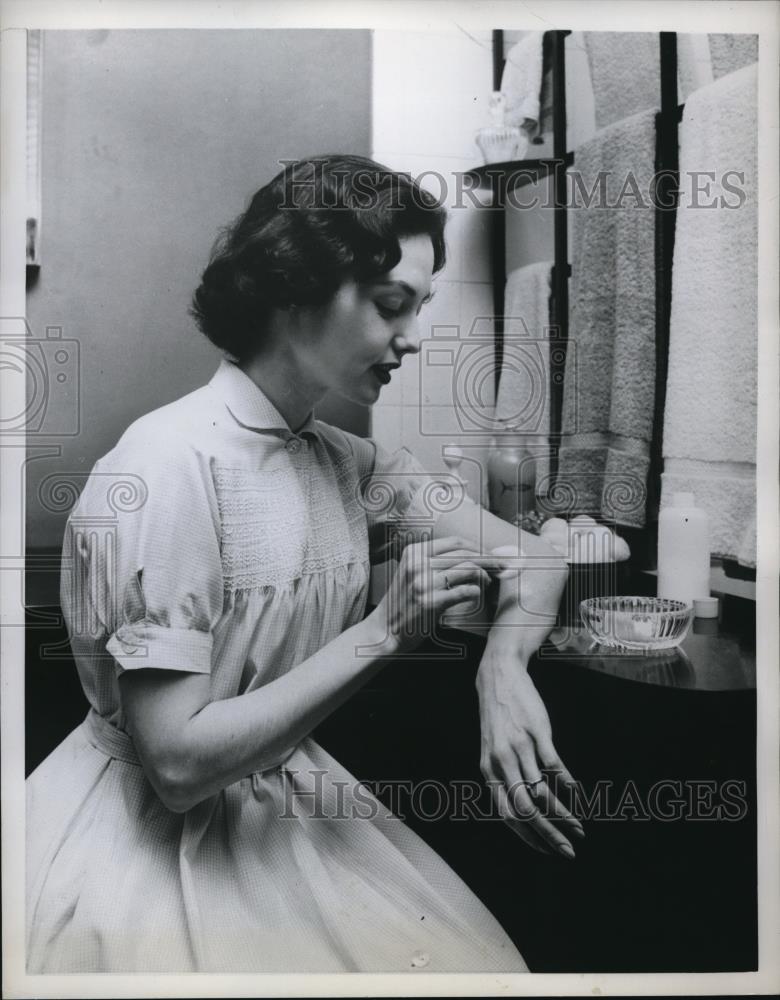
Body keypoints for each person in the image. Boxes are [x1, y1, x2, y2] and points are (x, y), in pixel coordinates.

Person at [26, 155, 581, 974]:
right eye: (392, 305)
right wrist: (385, 633)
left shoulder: (345, 462)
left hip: (286, 807)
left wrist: (502, 670)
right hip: (148, 843)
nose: (414, 338)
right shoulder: (162, 467)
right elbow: (176, 765)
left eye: (419, 308)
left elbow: (536, 559)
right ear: (292, 288)